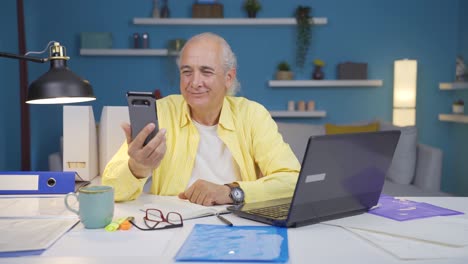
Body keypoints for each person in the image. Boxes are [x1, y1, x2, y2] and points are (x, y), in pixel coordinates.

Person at [102, 32, 300, 205]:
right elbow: (111, 190)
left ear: (228, 77)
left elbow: (292, 180)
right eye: (187, 72)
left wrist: (230, 192)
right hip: (172, 225)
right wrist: (137, 167)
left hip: (238, 224)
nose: (195, 82)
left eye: (206, 72)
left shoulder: (252, 115)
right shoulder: (160, 112)